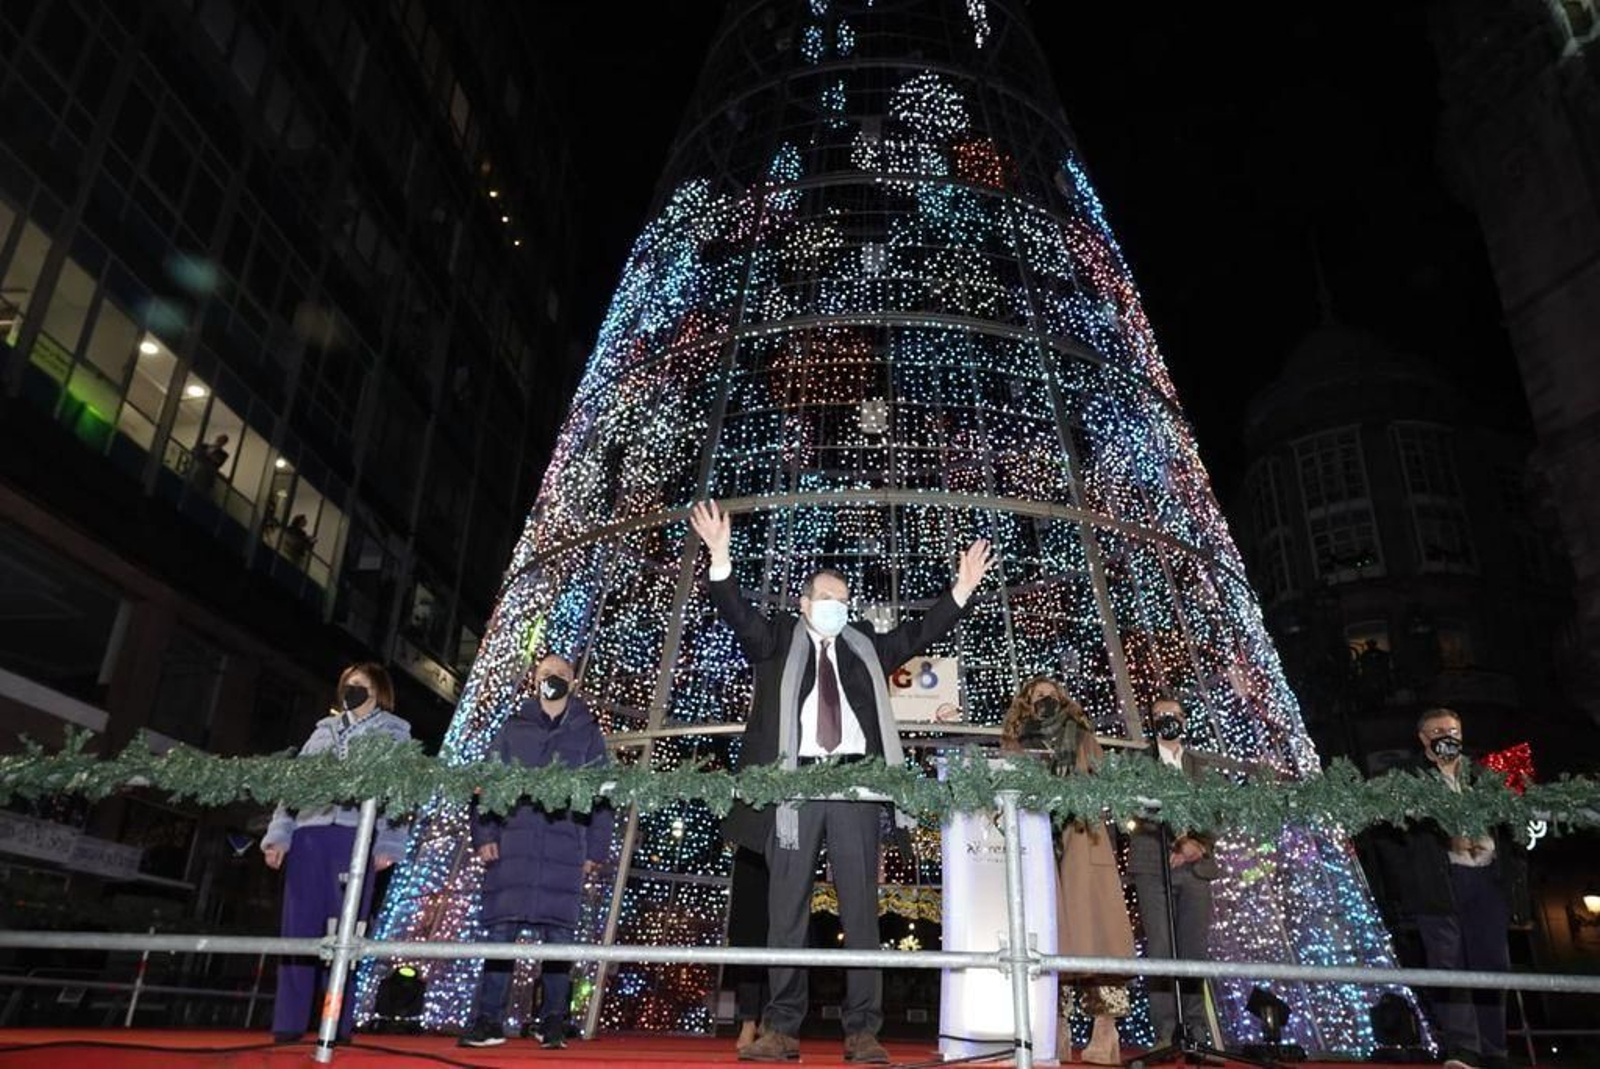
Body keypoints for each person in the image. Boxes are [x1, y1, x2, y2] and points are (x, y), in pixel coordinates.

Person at [688, 499, 993, 1064]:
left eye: (843, 602)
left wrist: (961, 589)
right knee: (787, 912)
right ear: (804, 604)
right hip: (792, 790)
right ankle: (780, 1028)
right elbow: (738, 616)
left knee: (860, 910)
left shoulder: (863, 650)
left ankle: (862, 1031)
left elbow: (916, 634)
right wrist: (721, 556)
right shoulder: (777, 640)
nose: (835, 608)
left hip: (857, 786)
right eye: (826, 599)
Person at [459, 654, 614, 1049]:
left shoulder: (588, 733)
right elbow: (486, 783)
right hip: (514, 843)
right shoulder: (513, 728)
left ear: (573, 682)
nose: (553, 679)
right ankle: (487, 1020)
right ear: (534, 679)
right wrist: (484, 834)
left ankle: (553, 1021)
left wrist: (596, 847)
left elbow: (603, 794)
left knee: (559, 940)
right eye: (546, 674)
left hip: (565, 846)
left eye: (561, 675)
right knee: (500, 935)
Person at [261, 663, 412, 1045]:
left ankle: (336, 1025)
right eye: (348, 685)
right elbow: (295, 786)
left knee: (346, 935)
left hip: (355, 839)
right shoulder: (323, 730)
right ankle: (288, 1025)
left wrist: (390, 842)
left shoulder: (396, 734)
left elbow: (404, 794)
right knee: (298, 930)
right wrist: (279, 835)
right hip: (310, 836)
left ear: (379, 691)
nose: (353, 691)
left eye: (361, 685)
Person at [1368, 708, 1523, 1069]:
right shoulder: (1405, 780)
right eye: (1437, 730)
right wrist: (1409, 877)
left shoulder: (1483, 777)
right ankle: (1463, 1049)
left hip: (1485, 877)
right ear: (1423, 738)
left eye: (1452, 729)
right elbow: (1388, 835)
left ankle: (1494, 1049)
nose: (1446, 736)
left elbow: (1509, 824)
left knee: (1492, 964)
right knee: (1447, 962)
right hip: (1438, 881)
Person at [1002, 677, 1134, 1066]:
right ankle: (1056, 1028)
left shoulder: (1083, 734)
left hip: (1082, 838)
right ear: (1025, 703)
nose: (1045, 699)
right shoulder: (1015, 741)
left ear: (1063, 700)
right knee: (1049, 939)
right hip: (1041, 842)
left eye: (1051, 694)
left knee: (1096, 937)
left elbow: (1103, 780)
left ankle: (1104, 1030)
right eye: (1037, 695)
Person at [1126, 696, 1218, 1049]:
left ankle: (1196, 1030)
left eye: (1173, 715)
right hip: (1153, 867)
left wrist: (1198, 844)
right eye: (1159, 715)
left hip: (1197, 869)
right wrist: (1172, 844)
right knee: (1161, 950)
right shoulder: (1137, 762)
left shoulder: (1201, 765)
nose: (1166, 720)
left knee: (1194, 950)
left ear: (1184, 719)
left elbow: (1219, 810)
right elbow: (1131, 810)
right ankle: (1166, 1032)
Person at [726, 845, 771, 1053]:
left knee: (781, 937)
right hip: (751, 844)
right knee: (748, 935)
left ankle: (770, 1018)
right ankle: (748, 1021)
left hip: (788, 846)